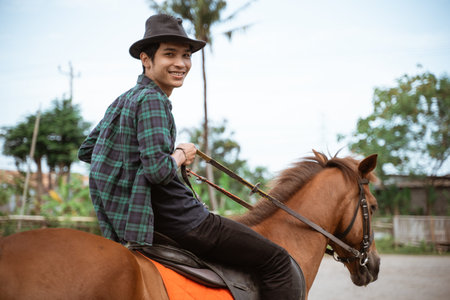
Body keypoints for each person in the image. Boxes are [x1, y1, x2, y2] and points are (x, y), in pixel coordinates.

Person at [78, 14, 301, 299]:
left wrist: (129, 166)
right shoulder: (154, 100)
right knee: (278, 261)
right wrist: (182, 153)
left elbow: (87, 151)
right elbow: (158, 171)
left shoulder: (124, 99)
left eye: (186, 55)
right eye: (169, 54)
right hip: (184, 222)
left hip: (149, 222)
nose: (181, 64)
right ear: (146, 59)